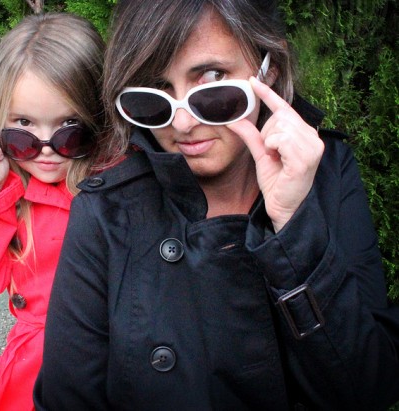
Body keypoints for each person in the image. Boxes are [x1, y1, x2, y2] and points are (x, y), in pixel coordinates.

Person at [34, 1, 399, 410]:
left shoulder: (328, 173)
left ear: (269, 69)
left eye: (212, 79)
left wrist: (293, 225)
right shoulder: (106, 212)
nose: (182, 123)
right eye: (156, 90)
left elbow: (369, 388)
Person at [0, 12, 104, 410]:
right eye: (24, 124)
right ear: (0, 121)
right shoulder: (8, 192)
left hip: (107, 364)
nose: (46, 146)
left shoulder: (117, 188)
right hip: (32, 370)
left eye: (69, 123)